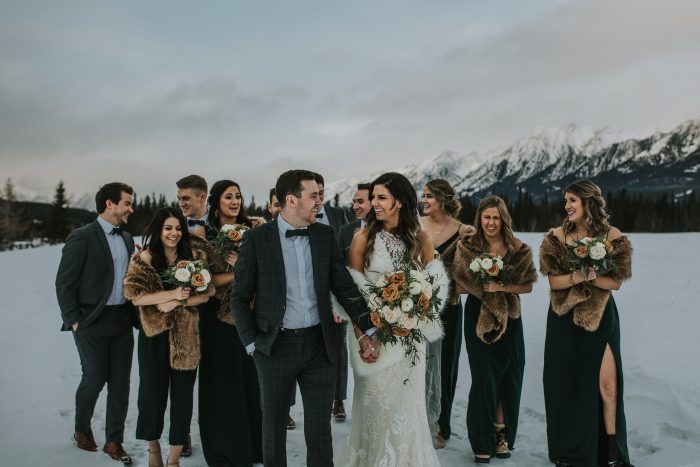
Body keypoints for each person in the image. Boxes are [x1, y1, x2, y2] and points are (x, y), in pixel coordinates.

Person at [230, 169, 376, 467]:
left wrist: (368, 328)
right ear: (291, 200)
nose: (319, 202)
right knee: (272, 429)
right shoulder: (257, 239)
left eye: (320, 195)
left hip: (320, 345)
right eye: (313, 196)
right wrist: (251, 344)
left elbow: (344, 287)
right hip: (273, 347)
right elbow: (239, 297)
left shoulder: (325, 236)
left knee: (320, 431)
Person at [336, 172, 449, 467]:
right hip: (375, 338)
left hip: (409, 340)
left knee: (407, 408)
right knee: (375, 407)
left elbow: (430, 289)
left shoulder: (422, 239)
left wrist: (414, 315)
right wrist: (365, 335)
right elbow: (352, 292)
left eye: (381, 197)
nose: (374, 203)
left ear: (399, 202)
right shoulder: (363, 238)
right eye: (373, 197)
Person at [540, 180, 633, 467]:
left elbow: (615, 282)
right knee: (566, 384)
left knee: (609, 385)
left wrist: (592, 275)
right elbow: (554, 281)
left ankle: (612, 453)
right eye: (565, 200)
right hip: (563, 319)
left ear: (588, 203)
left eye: (572, 201)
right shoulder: (555, 237)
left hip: (601, 316)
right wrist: (577, 277)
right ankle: (569, 452)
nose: (566, 206)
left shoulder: (611, 235)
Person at [444, 195, 537, 463]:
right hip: (477, 319)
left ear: (503, 219)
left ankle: (500, 436)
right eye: (487, 217)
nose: (491, 222)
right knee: (484, 378)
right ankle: (481, 439)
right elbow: (457, 284)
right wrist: (481, 287)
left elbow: (528, 285)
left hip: (510, 319)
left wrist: (501, 287)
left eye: (496, 217)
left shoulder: (518, 248)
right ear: (479, 219)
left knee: (507, 378)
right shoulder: (468, 247)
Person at [123, 207, 214, 467]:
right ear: (158, 230)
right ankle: (153, 450)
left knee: (183, 398)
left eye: (177, 228)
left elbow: (206, 293)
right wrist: (171, 295)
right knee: (152, 395)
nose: (173, 233)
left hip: (186, 337)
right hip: (154, 337)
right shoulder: (145, 258)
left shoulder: (194, 257)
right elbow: (135, 295)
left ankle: (173, 460)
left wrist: (177, 303)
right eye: (168, 228)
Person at [55, 182, 136, 465]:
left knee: (121, 385)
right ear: (110, 204)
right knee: (94, 378)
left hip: (123, 320)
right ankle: (82, 429)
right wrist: (74, 320)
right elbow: (64, 282)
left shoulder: (127, 238)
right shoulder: (81, 237)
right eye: (127, 203)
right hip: (91, 321)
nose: (131, 208)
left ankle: (114, 441)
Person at [196, 180, 263, 466]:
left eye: (237, 196)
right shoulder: (203, 234)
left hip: (250, 316)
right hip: (215, 319)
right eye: (228, 197)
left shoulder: (255, 229)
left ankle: (254, 446)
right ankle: (225, 448)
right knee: (222, 382)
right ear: (216, 202)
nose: (234, 201)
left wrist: (248, 267)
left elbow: (267, 268)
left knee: (250, 381)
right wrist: (240, 270)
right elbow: (202, 279)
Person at [420, 179, 473, 449]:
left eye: (429, 196)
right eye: (424, 196)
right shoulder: (416, 226)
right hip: (416, 307)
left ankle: (442, 427)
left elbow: (471, 278)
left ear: (443, 199)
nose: (425, 200)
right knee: (418, 365)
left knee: (446, 366)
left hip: (449, 309)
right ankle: (419, 424)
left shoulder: (464, 232)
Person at [313, 172, 351, 419]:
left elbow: (347, 253)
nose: (318, 197)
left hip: (334, 290)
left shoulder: (338, 215)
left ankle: (338, 399)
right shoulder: (296, 217)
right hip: (306, 290)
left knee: (338, 344)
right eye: (313, 193)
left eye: (321, 192)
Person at [337, 183, 371, 262]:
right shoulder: (345, 231)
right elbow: (338, 265)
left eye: (360, 201)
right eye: (354, 202)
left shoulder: (388, 228)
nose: (355, 207)